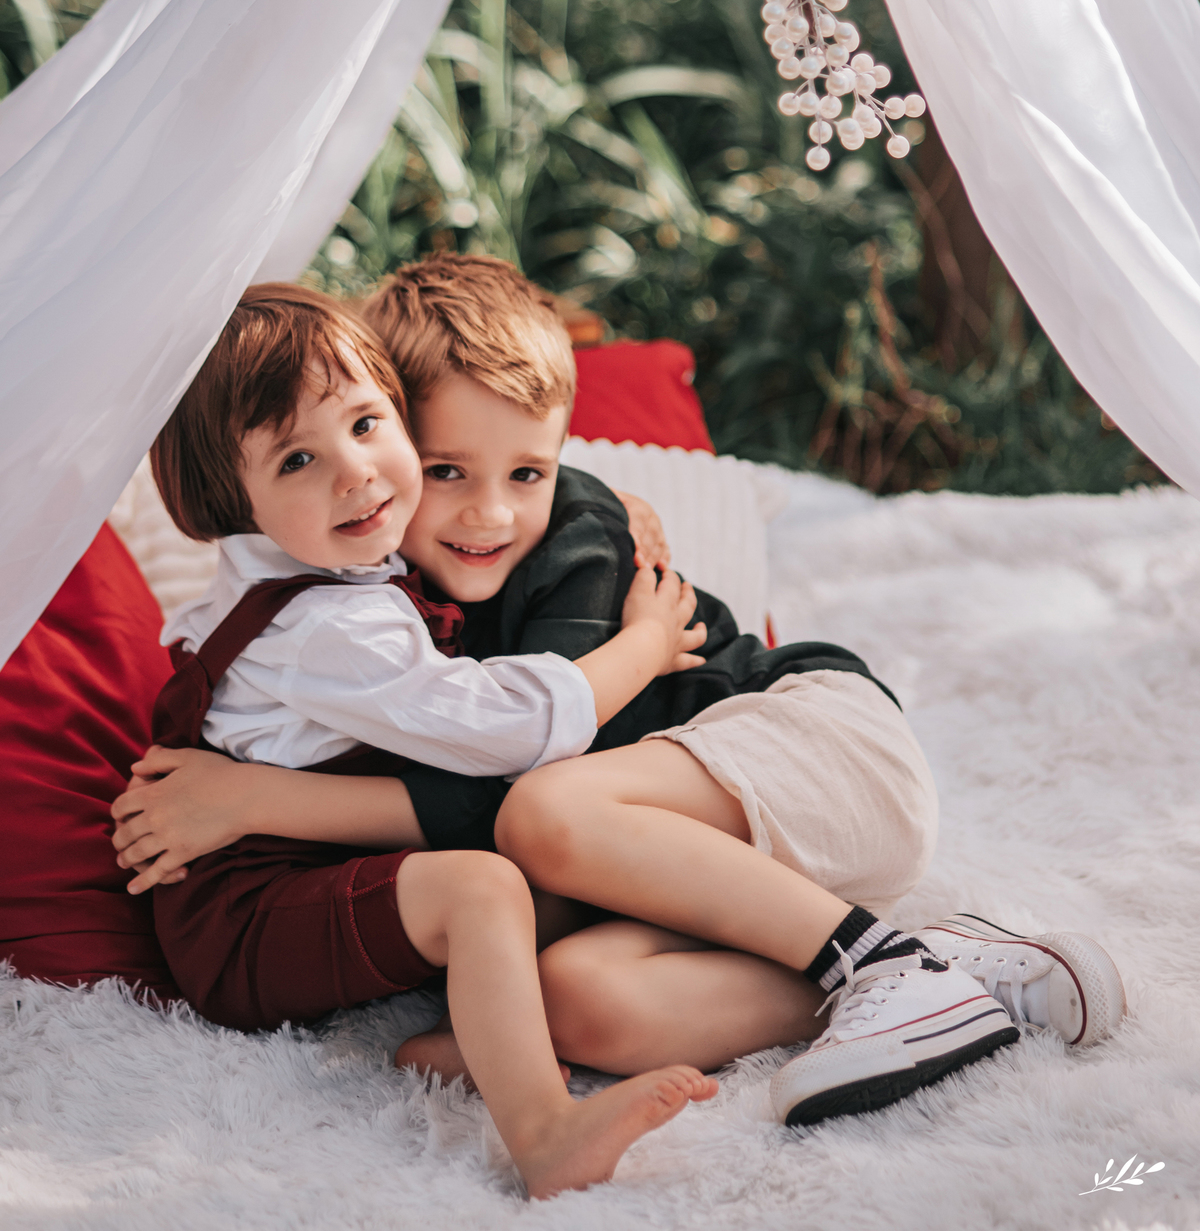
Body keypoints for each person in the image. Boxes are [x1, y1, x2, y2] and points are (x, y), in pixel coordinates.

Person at [115, 259, 1125, 1131]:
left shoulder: (582, 541)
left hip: (813, 743)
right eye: (445, 471)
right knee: (580, 1000)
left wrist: (255, 802)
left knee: (546, 807)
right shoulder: (362, 590)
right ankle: (953, 975)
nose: (490, 510)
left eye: (528, 471)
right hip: (718, 867)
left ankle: (881, 960)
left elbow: (506, 777)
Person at [136, 281, 718, 1198]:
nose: (356, 474)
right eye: (297, 460)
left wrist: (606, 501)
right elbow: (513, 729)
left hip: (295, 882)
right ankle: (543, 1131)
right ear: (230, 499)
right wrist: (642, 645)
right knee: (480, 884)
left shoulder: (331, 557)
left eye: (367, 425)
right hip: (247, 922)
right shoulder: (332, 628)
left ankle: (477, 1039)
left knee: (535, 877)